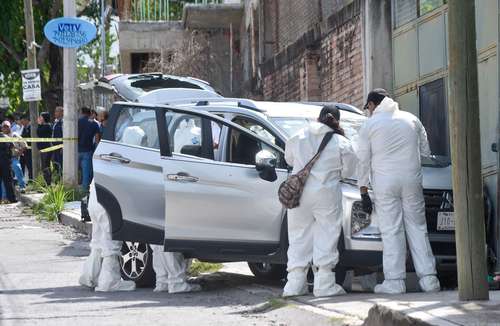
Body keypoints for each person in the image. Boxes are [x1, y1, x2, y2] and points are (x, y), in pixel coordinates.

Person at [357, 89, 440, 294]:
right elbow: (425, 152)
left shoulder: (370, 125)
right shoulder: (412, 119)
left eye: (367, 107)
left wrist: (363, 190)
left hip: (385, 183)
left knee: (392, 230)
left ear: (373, 104)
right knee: (418, 227)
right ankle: (429, 280)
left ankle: (395, 281)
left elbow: (363, 161)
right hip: (412, 180)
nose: (368, 111)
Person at [283, 105, 357, 297]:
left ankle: (294, 284)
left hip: (299, 193)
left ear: (318, 117)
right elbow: (349, 171)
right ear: (337, 121)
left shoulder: (298, 135)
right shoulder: (341, 142)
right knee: (327, 234)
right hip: (327, 194)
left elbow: (289, 159)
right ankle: (324, 284)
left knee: (298, 235)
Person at [79, 181, 136, 292]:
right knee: (111, 243)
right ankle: (109, 282)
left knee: (98, 242)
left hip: (95, 199)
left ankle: (89, 276)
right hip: (108, 201)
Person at [78, 107, 100, 192]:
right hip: (88, 150)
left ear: (82, 112)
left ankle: (71, 187)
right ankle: (84, 190)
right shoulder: (94, 124)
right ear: (89, 113)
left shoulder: (77, 122)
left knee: (74, 171)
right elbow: (97, 139)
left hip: (75, 150)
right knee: (86, 172)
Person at [2, 121, 27, 192]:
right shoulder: (1, 136)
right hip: (4, 159)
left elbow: (24, 145)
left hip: (13, 158)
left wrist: (20, 152)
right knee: (4, 175)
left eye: (7, 126)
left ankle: (22, 187)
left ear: (10, 127)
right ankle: (6, 192)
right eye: (4, 127)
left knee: (17, 168)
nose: (5, 128)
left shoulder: (15, 135)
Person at [0, 126, 16, 203]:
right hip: (6, 162)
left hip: (5, 161)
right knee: (8, 181)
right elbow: (13, 147)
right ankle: (12, 199)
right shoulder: (6, 137)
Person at [37, 112, 53, 185]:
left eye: (41, 117)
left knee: (46, 166)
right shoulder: (43, 126)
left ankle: (48, 183)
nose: (39, 118)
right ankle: (47, 182)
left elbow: (39, 132)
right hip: (42, 149)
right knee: (44, 166)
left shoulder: (48, 126)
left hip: (47, 148)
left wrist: (39, 124)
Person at [20, 115, 33, 180]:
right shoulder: (24, 128)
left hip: (29, 150)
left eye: (23, 122)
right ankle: (21, 180)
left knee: (30, 166)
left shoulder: (31, 128)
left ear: (26, 120)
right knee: (22, 166)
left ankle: (31, 180)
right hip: (24, 151)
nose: (22, 123)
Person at [52, 106, 64, 175]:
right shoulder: (56, 122)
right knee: (55, 164)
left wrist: (63, 146)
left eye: (57, 111)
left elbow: (65, 135)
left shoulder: (63, 122)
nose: (55, 113)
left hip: (60, 147)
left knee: (61, 163)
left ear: (62, 112)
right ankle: (57, 179)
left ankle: (62, 179)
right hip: (54, 147)